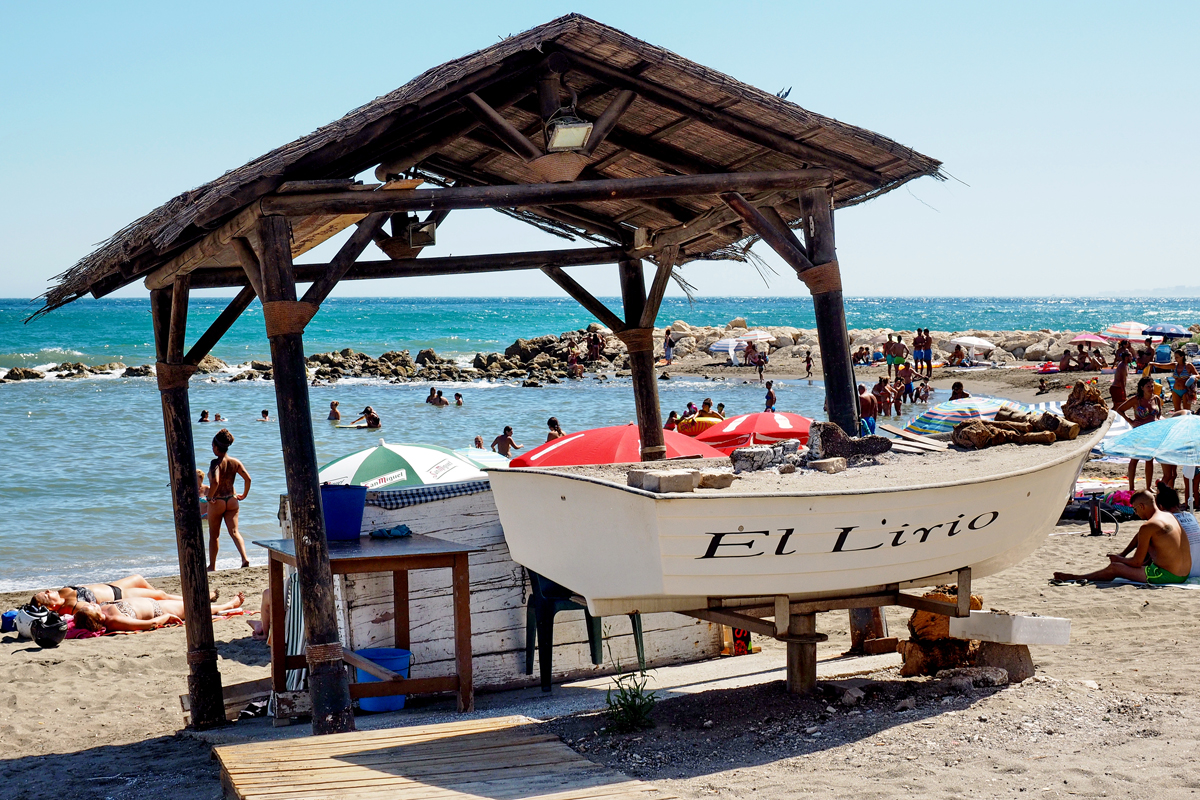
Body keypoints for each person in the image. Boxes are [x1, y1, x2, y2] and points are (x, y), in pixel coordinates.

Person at [1052, 490, 1190, 585]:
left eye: (1135, 509)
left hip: (1168, 575)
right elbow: (1141, 539)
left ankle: (1076, 577)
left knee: (1115, 568)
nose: (1135, 513)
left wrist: (1120, 559)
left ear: (1142, 506)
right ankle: (1121, 559)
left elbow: (1136, 562)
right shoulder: (1167, 516)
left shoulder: (1148, 526)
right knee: (1142, 545)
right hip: (1184, 572)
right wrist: (1123, 554)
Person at [74, 592, 246, 634]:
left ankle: (209, 598)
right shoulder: (114, 620)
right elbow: (148, 624)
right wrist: (166, 618)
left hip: (153, 602)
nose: (92, 604)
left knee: (189, 603)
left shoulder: (103, 610)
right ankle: (229, 605)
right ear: (95, 618)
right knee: (195, 609)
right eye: (92, 608)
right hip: (159, 610)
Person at [32, 576, 196, 615]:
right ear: (51, 606)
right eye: (46, 595)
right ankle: (195, 600)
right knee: (159, 595)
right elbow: (95, 611)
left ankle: (169, 601)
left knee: (139, 578)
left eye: (45, 591)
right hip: (120, 595)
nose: (48, 591)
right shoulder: (71, 607)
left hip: (113, 586)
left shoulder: (62, 593)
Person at [207, 428, 251, 571]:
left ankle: (212, 566)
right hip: (232, 499)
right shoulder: (235, 462)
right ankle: (245, 558)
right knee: (234, 532)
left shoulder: (215, 463)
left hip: (217, 501)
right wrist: (244, 495)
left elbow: (215, 482)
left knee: (214, 535)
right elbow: (248, 479)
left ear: (215, 447)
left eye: (212, 445)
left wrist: (209, 497)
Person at [1116, 377, 1163, 491]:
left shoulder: (1156, 399)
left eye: (1152, 386)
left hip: (1152, 433)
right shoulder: (1136, 400)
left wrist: (1157, 419)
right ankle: (1131, 487)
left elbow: (1159, 412)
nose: (1151, 388)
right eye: (1148, 386)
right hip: (1139, 433)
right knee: (1134, 459)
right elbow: (1120, 410)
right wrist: (1131, 422)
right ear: (1142, 388)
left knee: (1149, 459)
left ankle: (1148, 486)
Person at [1156, 485, 1200, 578]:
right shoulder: (1191, 516)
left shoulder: (1167, 520)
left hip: (1184, 571)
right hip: (1198, 568)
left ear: (1160, 506)